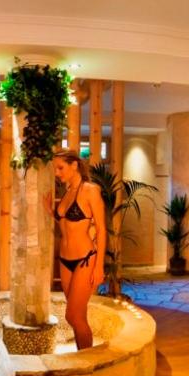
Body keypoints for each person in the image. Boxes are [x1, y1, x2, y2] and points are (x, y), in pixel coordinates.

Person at [52, 149, 106, 350]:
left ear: (74, 165)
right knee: (78, 316)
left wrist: (99, 267)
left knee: (72, 315)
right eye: (55, 169)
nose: (57, 173)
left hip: (85, 259)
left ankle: (88, 362)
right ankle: (82, 358)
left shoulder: (90, 190)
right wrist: (50, 212)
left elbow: (101, 230)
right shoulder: (67, 193)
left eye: (60, 168)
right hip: (64, 261)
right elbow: (66, 224)